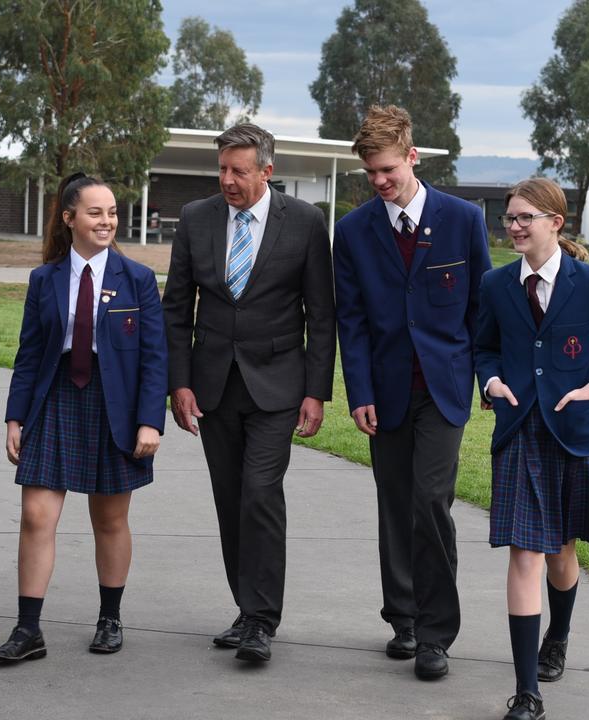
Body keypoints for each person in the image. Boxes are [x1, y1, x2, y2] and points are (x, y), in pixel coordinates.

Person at [474, 177, 589, 720]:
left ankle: (561, 634)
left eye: (526, 218)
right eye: (510, 218)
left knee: (560, 552)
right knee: (524, 553)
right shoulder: (496, 283)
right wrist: (491, 381)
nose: (514, 227)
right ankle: (527, 693)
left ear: (556, 222)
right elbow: (483, 347)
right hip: (518, 429)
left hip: (572, 435)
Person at [161, 123, 335, 663]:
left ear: (267, 170)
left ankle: (261, 619)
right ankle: (246, 608)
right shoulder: (196, 218)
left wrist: (316, 391)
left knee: (260, 492)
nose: (228, 181)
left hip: (278, 385)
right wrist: (180, 383)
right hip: (214, 386)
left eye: (239, 170)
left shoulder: (305, 223)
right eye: (222, 170)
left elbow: (321, 315)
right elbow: (176, 311)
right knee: (230, 498)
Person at [332, 105, 492, 680]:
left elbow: (481, 308)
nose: (380, 182)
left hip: (445, 389)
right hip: (386, 390)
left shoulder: (462, 219)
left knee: (430, 502)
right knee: (395, 506)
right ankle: (401, 617)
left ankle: (435, 634)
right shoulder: (352, 231)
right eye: (371, 173)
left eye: (388, 170)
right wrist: (359, 392)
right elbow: (349, 320)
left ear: (413, 157)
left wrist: (486, 378)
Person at [0, 173, 167, 662]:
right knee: (35, 516)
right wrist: (14, 417)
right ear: (69, 219)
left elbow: (155, 358)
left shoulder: (139, 280)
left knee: (109, 519)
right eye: (95, 212)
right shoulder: (44, 280)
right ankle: (28, 631)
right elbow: (28, 355)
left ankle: (110, 619)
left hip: (116, 404)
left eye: (111, 212)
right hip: (56, 398)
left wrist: (151, 421)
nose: (107, 221)